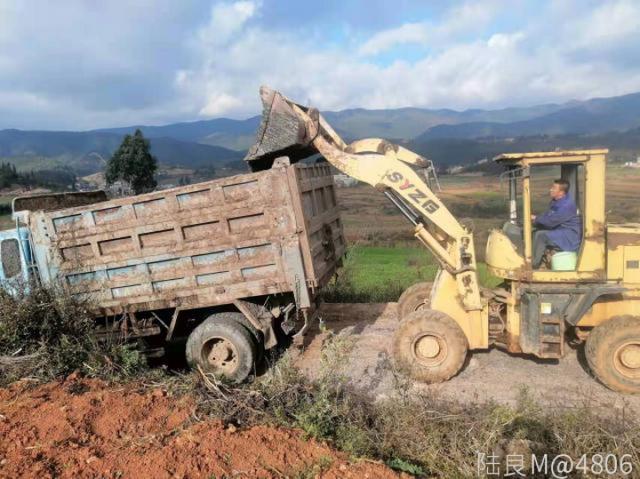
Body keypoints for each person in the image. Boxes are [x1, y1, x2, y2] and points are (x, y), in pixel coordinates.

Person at [531, 179, 582, 268]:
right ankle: (533, 257)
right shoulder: (556, 202)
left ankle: (533, 264)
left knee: (541, 236)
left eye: (554, 188)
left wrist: (536, 219)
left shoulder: (566, 205)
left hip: (569, 235)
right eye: (552, 187)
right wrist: (535, 220)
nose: (551, 190)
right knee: (535, 232)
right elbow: (547, 215)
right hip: (561, 230)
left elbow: (551, 221)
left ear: (561, 192)